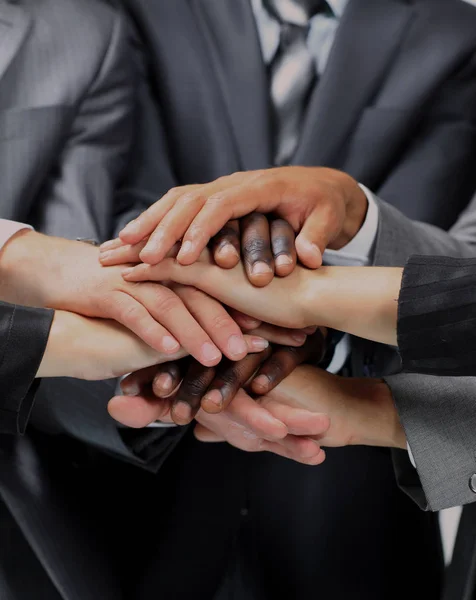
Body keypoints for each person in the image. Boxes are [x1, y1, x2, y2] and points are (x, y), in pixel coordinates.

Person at [89, 0, 476, 596]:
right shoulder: (142, 12)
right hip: (147, 473)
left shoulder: (455, 31)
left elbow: (445, 256)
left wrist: (340, 230)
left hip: (355, 491)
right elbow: (120, 206)